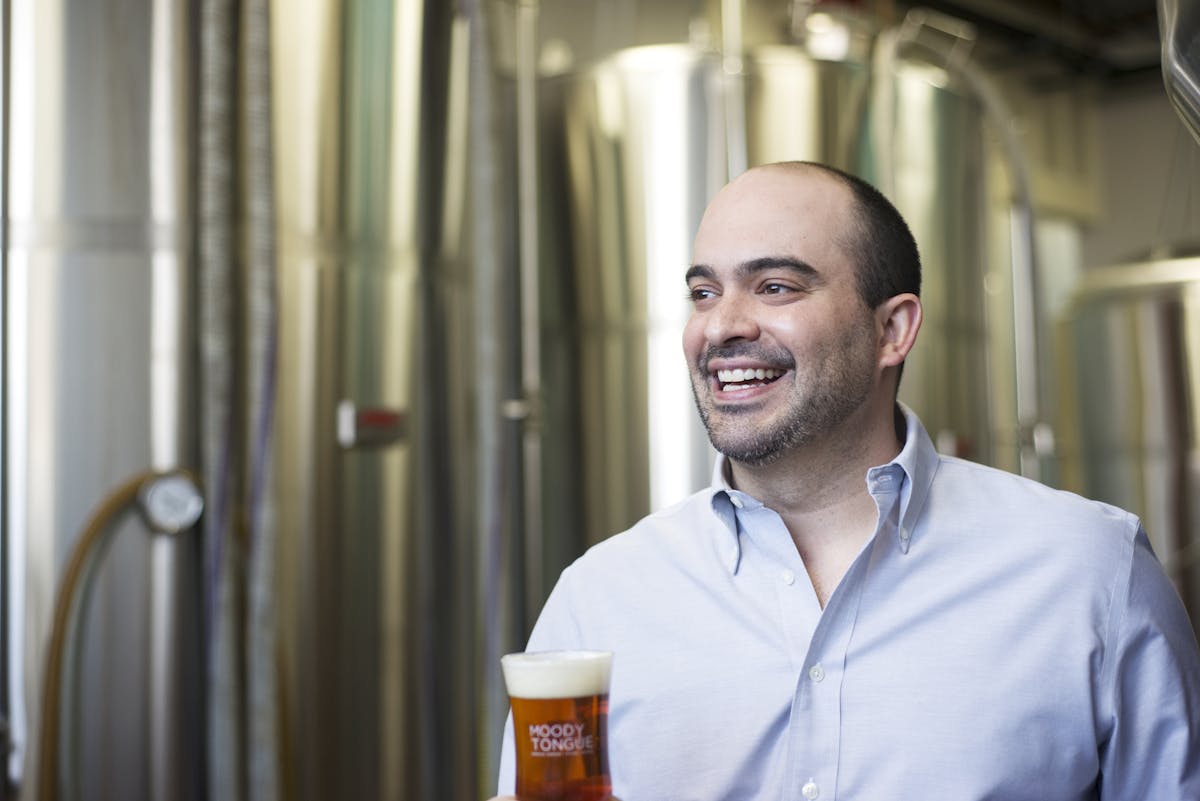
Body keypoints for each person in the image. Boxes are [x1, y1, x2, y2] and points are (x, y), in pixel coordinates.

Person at [490, 161, 1200, 800]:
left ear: (893, 329)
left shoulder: (1089, 572)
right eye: (704, 292)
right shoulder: (600, 598)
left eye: (775, 285)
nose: (721, 326)